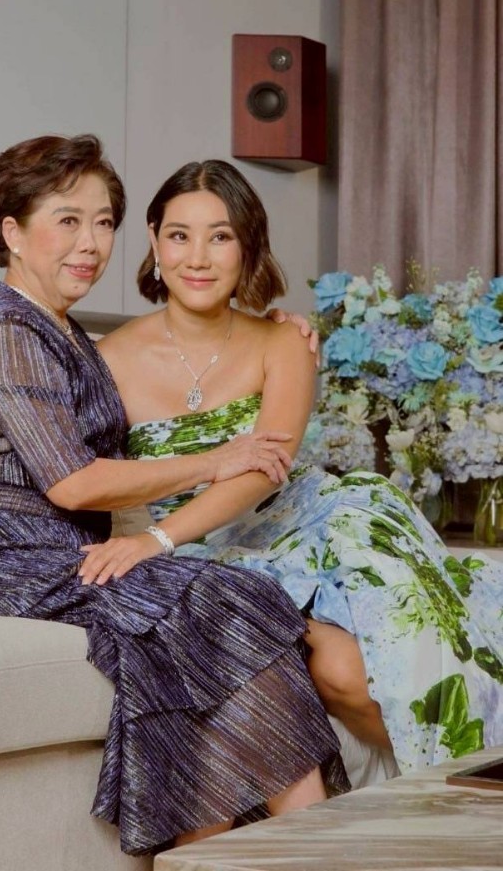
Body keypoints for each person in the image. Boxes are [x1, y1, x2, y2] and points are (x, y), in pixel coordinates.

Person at [0, 136, 350, 856]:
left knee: (231, 604)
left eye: (104, 221)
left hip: (58, 554)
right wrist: (217, 460)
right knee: (218, 597)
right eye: (67, 220)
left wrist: (281, 326)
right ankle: (311, 846)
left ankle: (250, 846)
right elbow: (73, 480)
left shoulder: (65, 331)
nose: (91, 243)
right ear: (12, 232)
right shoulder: (9, 330)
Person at [89, 158, 503, 776]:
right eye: (179, 235)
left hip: (318, 524)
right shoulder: (106, 358)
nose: (197, 258)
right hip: (213, 557)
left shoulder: (284, 340)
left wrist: (155, 540)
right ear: (153, 240)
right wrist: (158, 542)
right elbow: (84, 476)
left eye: (220, 236)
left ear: (247, 245)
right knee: (339, 670)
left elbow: (265, 469)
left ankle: (471, 789)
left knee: (405, 652)